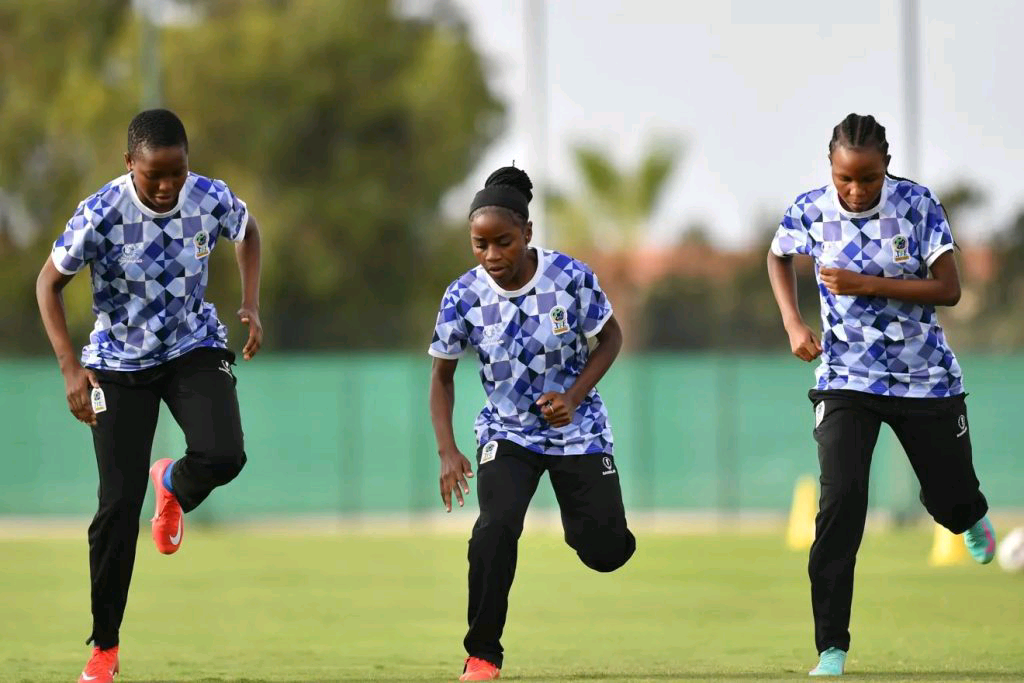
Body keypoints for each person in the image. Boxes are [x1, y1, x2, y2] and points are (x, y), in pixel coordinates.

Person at [35, 109, 263, 683]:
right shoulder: (101, 212)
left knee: (224, 455)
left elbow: (249, 231)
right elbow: (48, 283)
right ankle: (105, 648)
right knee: (117, 507)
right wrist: (70, 369)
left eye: (176, 173)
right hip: (117, 366)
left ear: (188, 163)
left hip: (192, 346)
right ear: (128, 164)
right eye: (153, 175)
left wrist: (250, 303)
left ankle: (173, 485)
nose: (166, 186)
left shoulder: (209, 196)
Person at [766, 113, 997, 677]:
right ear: (830, 167)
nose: (855, 190)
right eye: (845, 178)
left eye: (868, 178)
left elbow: (949, 289)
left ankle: (968, 515)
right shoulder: (810, 209)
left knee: (950, 501)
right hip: (846, 378)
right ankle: (831, 648)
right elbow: (778, 255)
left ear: (886, 167)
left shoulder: (917, 205)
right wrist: (794, 323)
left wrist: (864, 283)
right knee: (840, 506)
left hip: (925, 378)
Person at [428, 166, 637, 681]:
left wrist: (573, 396)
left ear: (526, 232)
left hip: (578, 429)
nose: (492, 255)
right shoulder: (463, 296)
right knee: (495, 528)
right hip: (507, 432)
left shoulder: (570, 277)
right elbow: (442, 378)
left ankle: (590, 525)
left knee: (606, 552)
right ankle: (482, 655)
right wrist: (448, 450)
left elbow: (610, 338)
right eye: (480, 244)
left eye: (503, 242)